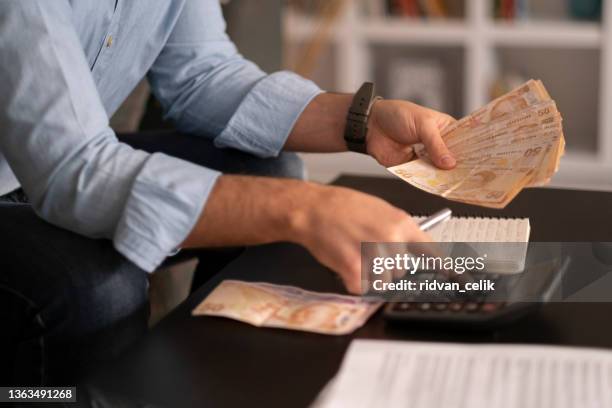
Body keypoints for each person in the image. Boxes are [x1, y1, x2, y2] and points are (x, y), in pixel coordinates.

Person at [0, 0, 456, 385]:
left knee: (268, 170)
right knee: (99, 285)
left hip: (55, 160)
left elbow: (201, 75)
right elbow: (72, 170)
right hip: (48, 168)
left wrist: (364, 121)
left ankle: (212, 383)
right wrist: (304, 209)